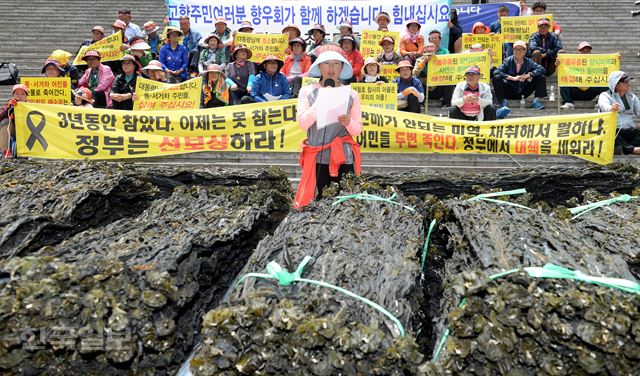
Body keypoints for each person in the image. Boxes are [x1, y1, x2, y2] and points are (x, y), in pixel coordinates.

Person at [295, 50, 363, 208]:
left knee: (346, 201)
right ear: (319, 67)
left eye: (336, 64)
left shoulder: (352, 95)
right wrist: (319, 105)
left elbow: (357, 130)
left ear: (342, 68)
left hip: (343, 155)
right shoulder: (308, 91)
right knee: (319, 201)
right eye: (326, 64)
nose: (331, 68)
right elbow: (302, 124)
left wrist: (348, 122)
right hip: (318, 156)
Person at [492, 40, 546, 114]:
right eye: (516, 49)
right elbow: (496, 72)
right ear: (513, 50)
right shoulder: (507, 60)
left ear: (525, 51)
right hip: (510, 90)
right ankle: (503, 102)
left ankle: (536, 101)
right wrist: (512, 78)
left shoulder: (529, 61)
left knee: (541, 76)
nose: (518, 51)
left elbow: (542, 69)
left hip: (524, 90)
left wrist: (529, 75)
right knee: (496, 78)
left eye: (520, 49)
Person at [597, 71, 640, 155]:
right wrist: (611, 108)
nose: (628, 84)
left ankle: (623, 147)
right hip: (614, 130)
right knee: (608, 134)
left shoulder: (632, 97)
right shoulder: (605, 95)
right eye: (625, 82)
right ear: (616, 84)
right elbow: (604, 105)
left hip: (629, 130)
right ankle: (631, 149)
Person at [559, 42, 608, 110]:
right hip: (575, 90)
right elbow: (560, 73)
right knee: (563, 80)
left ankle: (600, 103)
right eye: (583, 51)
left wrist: (615, 60)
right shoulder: (571, 61)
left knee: (606, 81)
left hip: (590, 91)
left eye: (587, 51)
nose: (585, 52)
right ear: (578, 51)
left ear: (590, 52)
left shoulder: (595, 62)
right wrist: (558, 65)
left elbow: (607, 69)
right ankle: (568, 102)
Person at [0, 84, 28, 158]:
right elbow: (0, 116)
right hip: (14, 130)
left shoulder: (31, 106)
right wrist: (9, 108)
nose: (20, 96)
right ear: (13, 96)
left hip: (28, 131)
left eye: (22, 94)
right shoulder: (9, 105)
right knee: (5, 121)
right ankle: (5, 151)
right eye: (17, 94)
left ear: (26, 96)